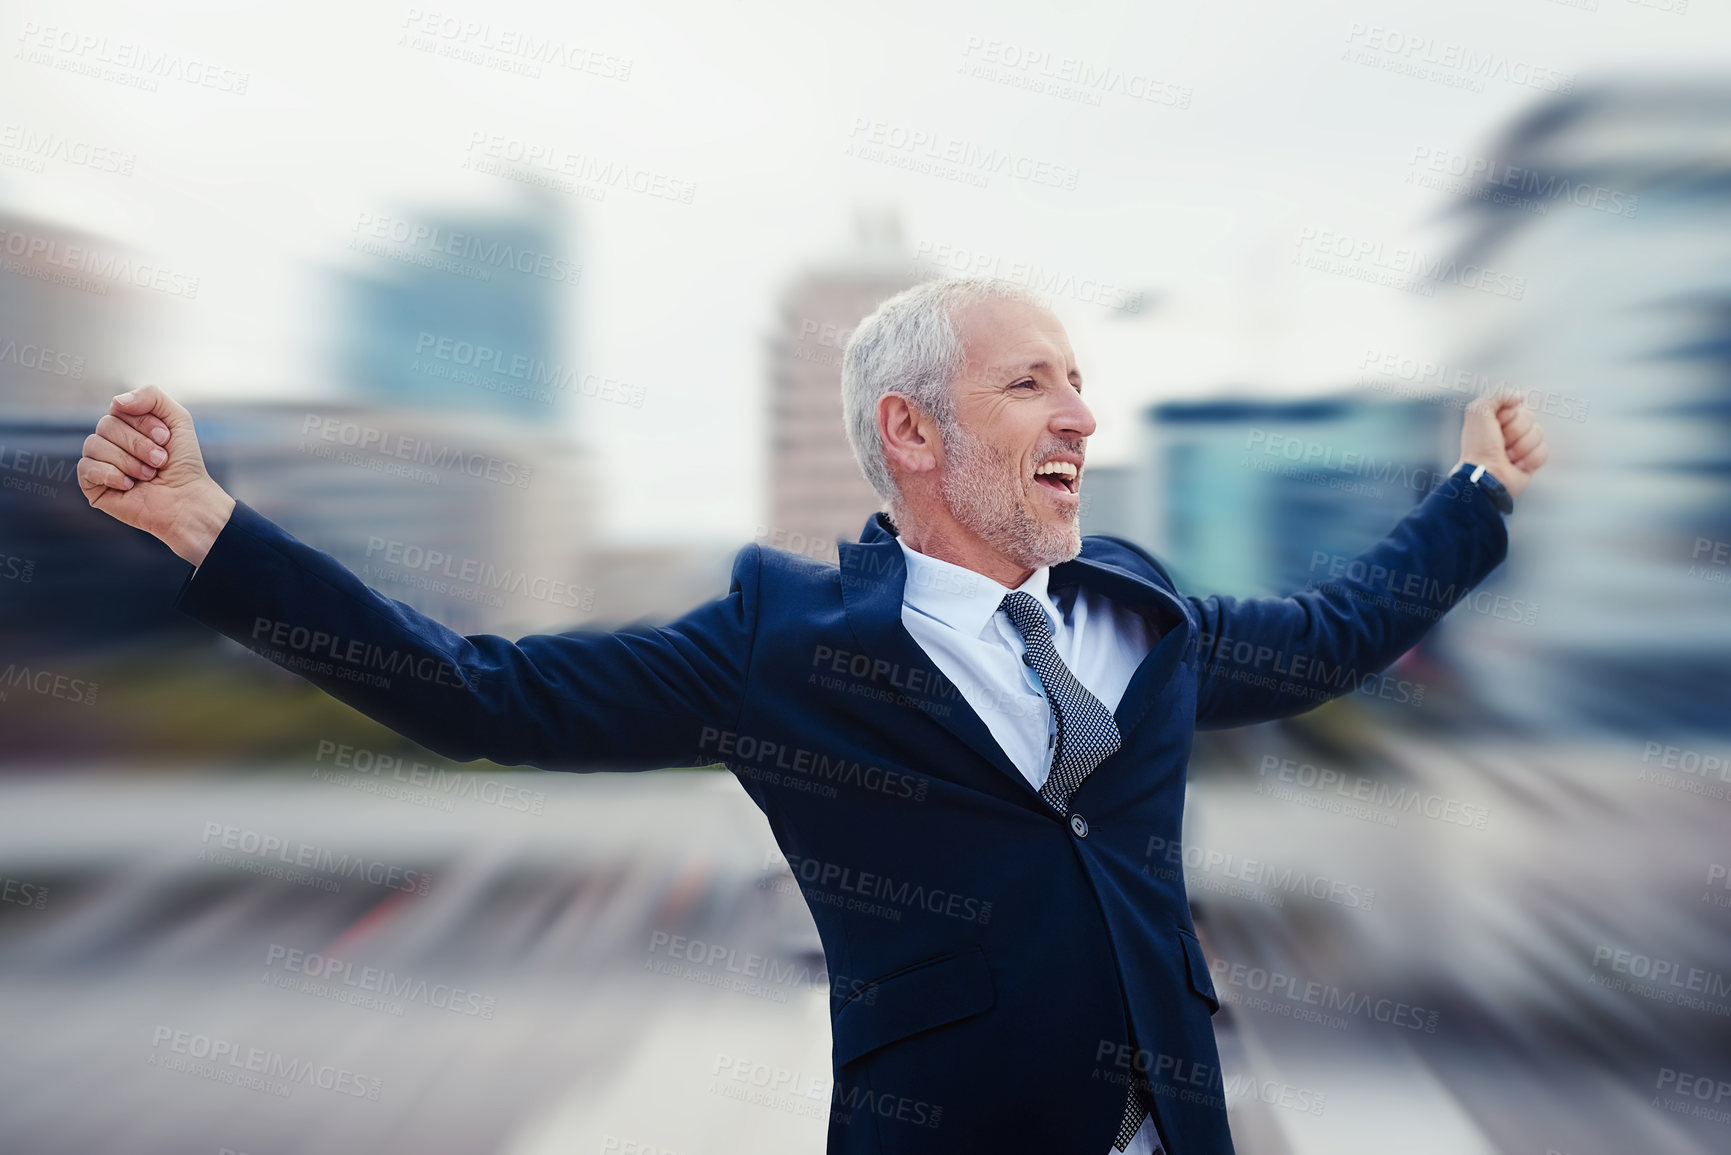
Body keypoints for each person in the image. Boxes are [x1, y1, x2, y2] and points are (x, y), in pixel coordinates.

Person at [78, 277, 1546, 1155]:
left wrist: (1475, 496)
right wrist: (214, 529)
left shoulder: (1139, 610)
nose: (1084, 418)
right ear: (915, 432)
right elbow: (481, 696)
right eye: (1031, 384)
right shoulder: (783, 646)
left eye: (1084, 384)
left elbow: (1336, 638)